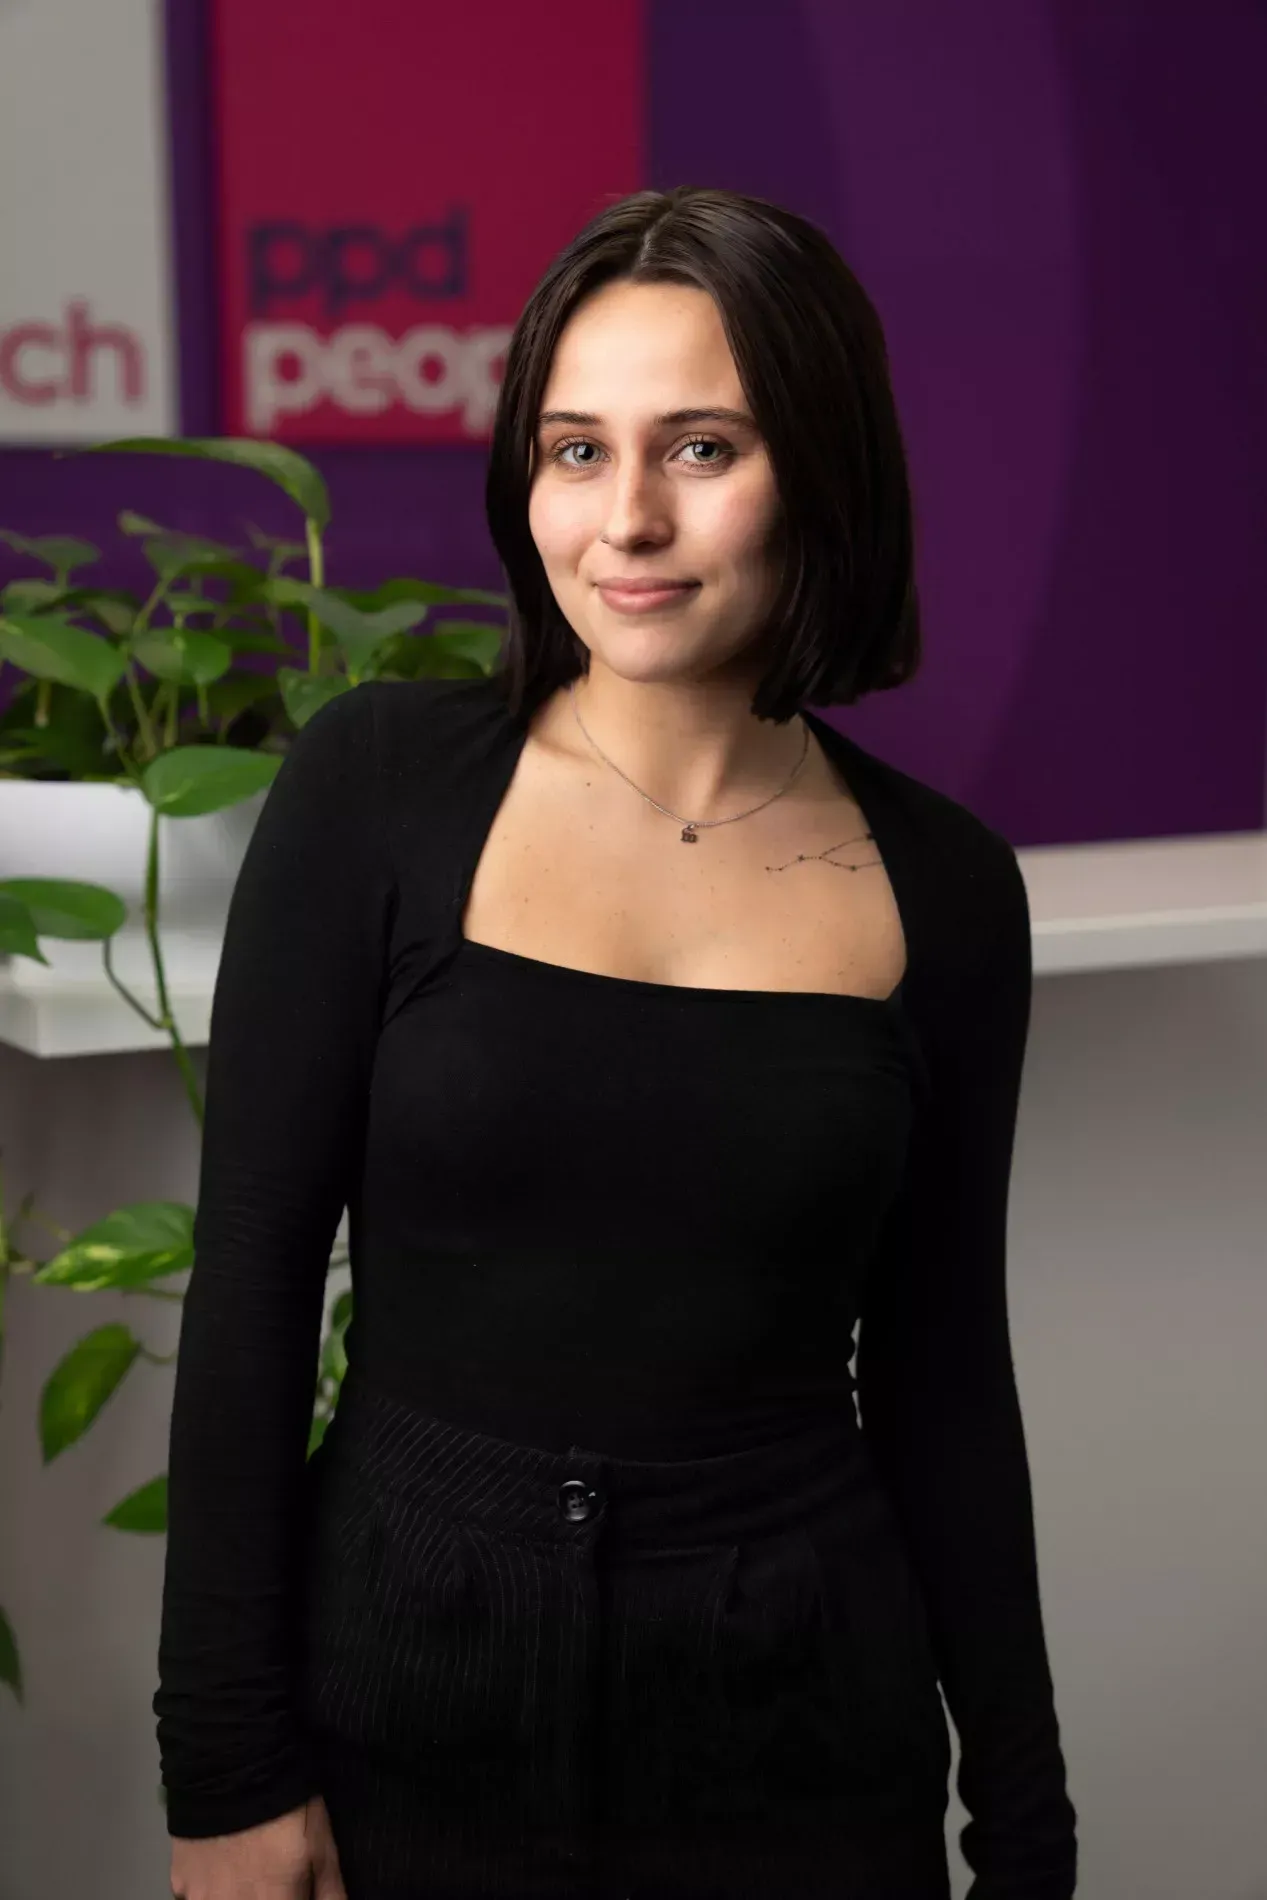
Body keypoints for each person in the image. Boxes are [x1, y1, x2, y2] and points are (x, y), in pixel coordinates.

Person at [157, 185, 1078, 1899]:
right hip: (407, 1705)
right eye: (577, 449)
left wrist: (1023, 1826)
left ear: (820, 467)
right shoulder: (375, 788)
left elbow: (946, 1379)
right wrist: (222, 1768)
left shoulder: (944, 888)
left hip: (802, 1731)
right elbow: (253, 1291)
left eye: (702, 448)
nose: (628, 520)